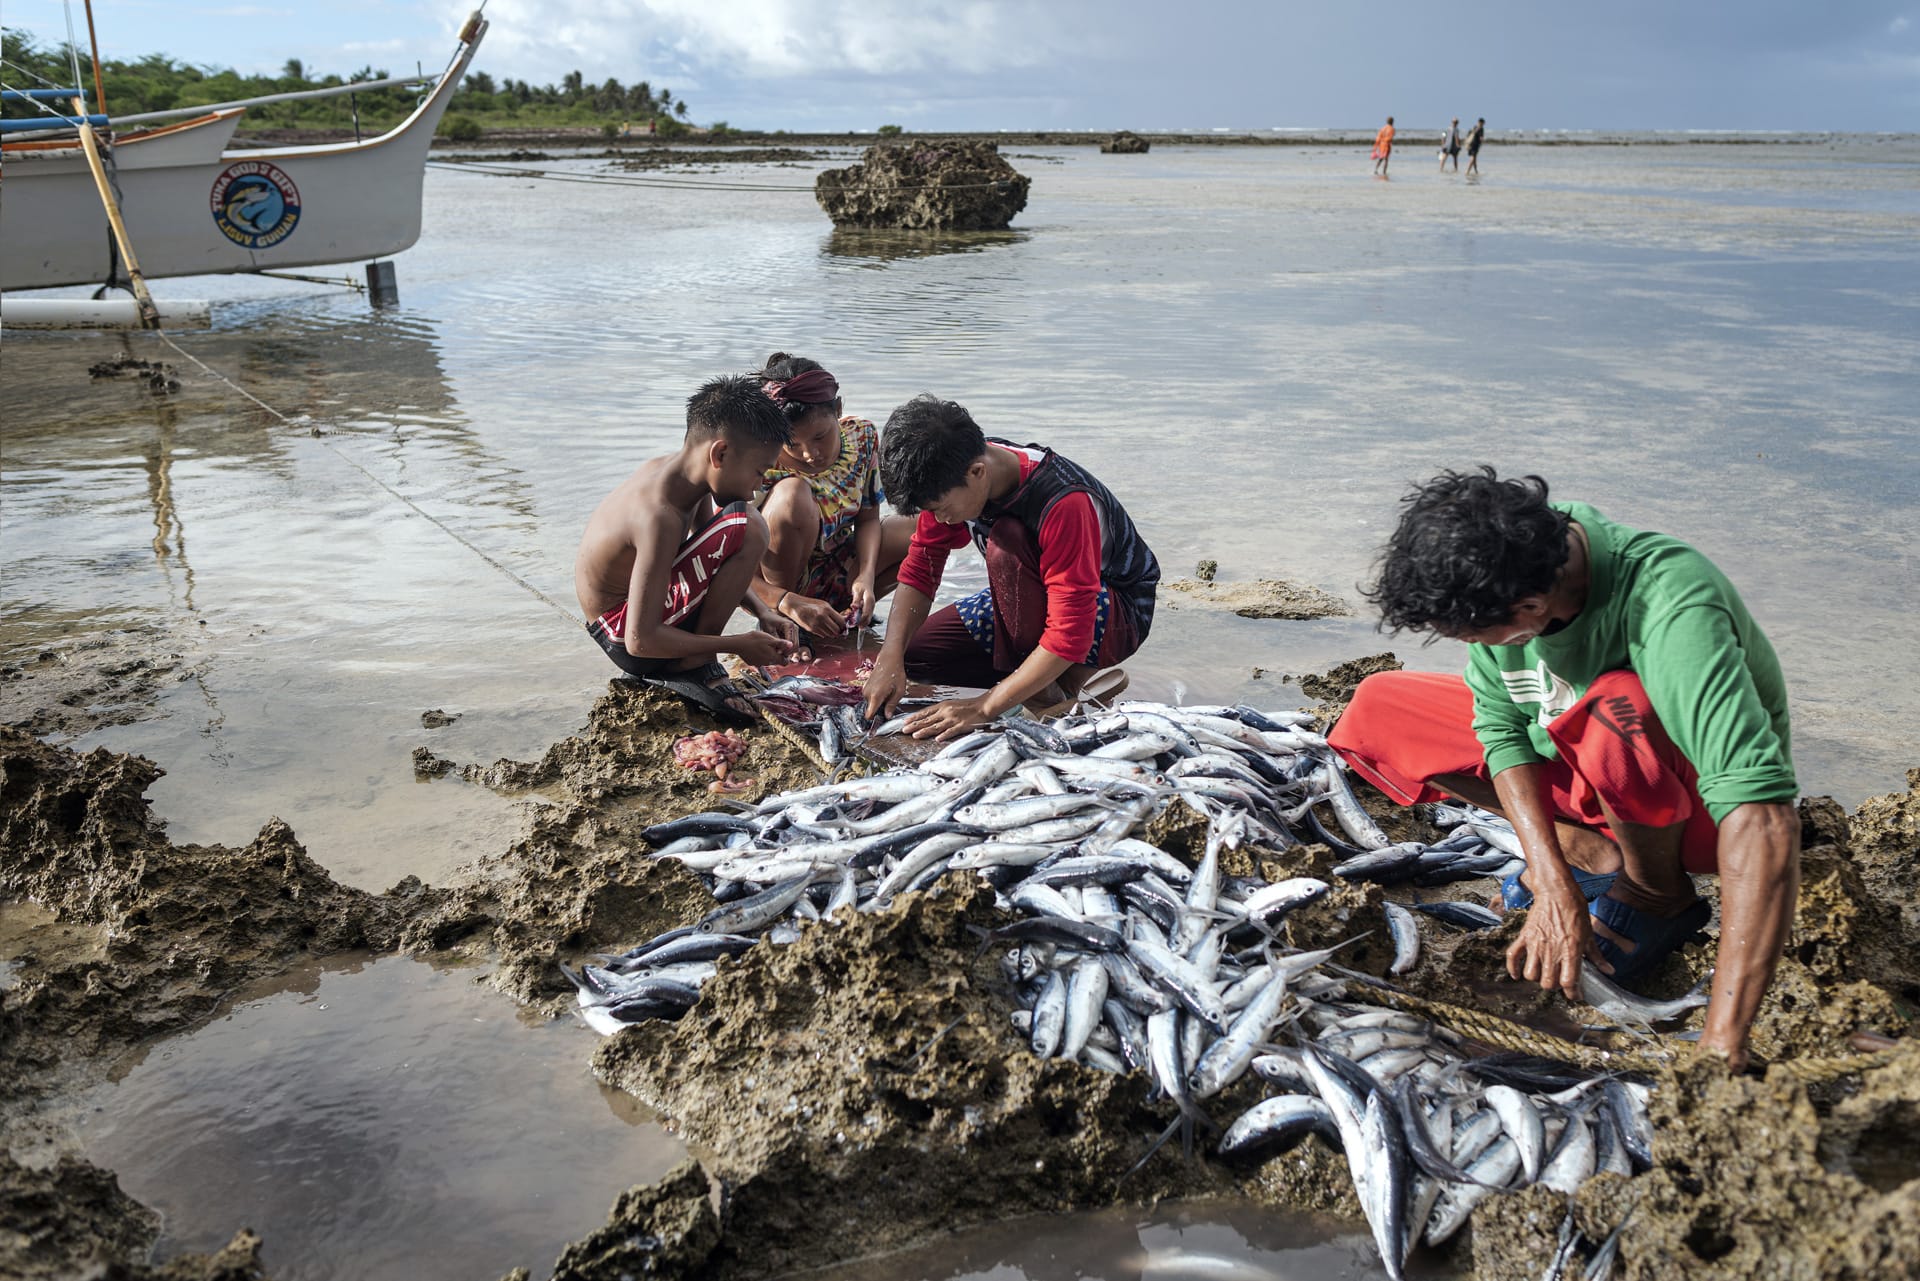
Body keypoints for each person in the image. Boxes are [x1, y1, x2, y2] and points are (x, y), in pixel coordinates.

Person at [1328, 468, 1799, 1072]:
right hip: (1585, 764)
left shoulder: (1671, 605)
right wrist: (1553, 882)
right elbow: (1498, 729)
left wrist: (1723, 1041)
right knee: (1378, 707)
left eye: (1473, 634)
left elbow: (1761, 814)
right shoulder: (1520, 556)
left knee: (1614, 707)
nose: (1471, 645)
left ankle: (1655, 893)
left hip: (1692, 803)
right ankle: (1591, 851)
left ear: (1530, 607)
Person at [862, 395, 1160, 739]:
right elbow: (922, 568)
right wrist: (890, 656)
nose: (940, 519)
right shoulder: (955, 471)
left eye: (941, 508)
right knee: (917, 656)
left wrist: (984, 707)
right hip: (1034, 594)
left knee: (1007, 543)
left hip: (1112, 609)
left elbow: (1070, 631)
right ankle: (1041, 684)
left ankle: (1054, 689)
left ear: (977, 473)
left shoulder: (1064, 502)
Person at [575, 375, 799, 721]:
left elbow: (714, 560)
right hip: (624, 636)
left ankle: (692, 656)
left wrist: (763, 612)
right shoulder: (658, 516)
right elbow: (639, 641)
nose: (756, 489)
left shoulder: (681, 478)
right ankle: (697, 665)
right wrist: (735, 644)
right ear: (720, 453)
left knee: (742, 525)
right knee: (749, 524)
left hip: (633, 623)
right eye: (758, 472)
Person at [749, 353, 914, 652]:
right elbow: (724, 566)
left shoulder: (862, 436)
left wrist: (865, 576)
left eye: (820, 436)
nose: (810, 454)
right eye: (793, 445)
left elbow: (868, 519)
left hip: (836, 571)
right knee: (792, 496)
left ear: (837, 409)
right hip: (778, 590)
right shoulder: (762, 460)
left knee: (919, 530)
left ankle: (849, 613)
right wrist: (784, 600)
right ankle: (787, 624)